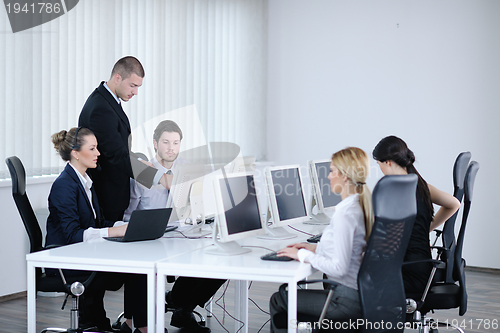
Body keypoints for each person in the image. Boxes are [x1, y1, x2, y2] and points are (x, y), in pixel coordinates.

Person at [123, 119, 225, 333]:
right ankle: (181, 305)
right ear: (155, 143)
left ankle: (181, 303)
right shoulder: (144, 172)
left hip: (184, 232)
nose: (171, 148)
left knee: (221, 261)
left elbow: (201, 203)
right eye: (166, 142)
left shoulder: (188, 169)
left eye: (176, 143)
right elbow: (129, 215)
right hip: (152, 238)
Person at [46, 127, 150, 333]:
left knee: (140, 266)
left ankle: (134, 326)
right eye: (92, 148)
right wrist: (113, 232)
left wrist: (122, 226)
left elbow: (97, 222)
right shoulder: (64, 186)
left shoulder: (85, 181)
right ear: (76, 153)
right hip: (67, 263)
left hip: (83, 255)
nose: (98, 153)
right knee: (137, 270)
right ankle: (141, 328)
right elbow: (72, 235)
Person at [269, 147, 374, 333]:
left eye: (332, 171)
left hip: (346, 301)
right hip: (361, 295)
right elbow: (349, 249)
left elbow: (338, 268)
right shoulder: (360, 204)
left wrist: (302, 254)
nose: (328, 176)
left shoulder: (345, 214)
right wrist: (313, 248)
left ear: (345, 177)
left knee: (279, 299)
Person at [78, 56, 171, 222]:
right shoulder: (101, 108)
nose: (135, 92)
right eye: (133, 85)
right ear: (117, 77)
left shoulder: (108, 101)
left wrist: (138, 160)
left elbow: (115, 145)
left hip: (114, 191)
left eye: (138, 87)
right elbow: (115, 155)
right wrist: (158, 178)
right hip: (106, 195)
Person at [372, 135, 460, 295]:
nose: (381, 170)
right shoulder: (420, 184)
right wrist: (427, 227)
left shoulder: (393, 190)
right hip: (423, 269)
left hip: (406, 275)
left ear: (388, 162)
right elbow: (454, 203)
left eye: (379, 165)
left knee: (345, 279)